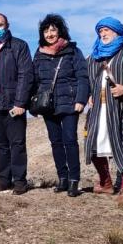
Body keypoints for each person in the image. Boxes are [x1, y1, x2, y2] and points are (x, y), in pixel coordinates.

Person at [31, 14, 89, 196]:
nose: (50, 33)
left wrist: (81, 100)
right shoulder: (39, 54)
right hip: (48, 105)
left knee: (70, 141)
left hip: (70, 104)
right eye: (46, 30)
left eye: (53, 30)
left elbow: (82, 77)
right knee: (55, 142)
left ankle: (74, 180)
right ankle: (62, 178)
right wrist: (32, 104)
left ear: (60, 31)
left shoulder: (72, 51)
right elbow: (34, 80)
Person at [84, 18, 123, 196]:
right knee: (93, 145)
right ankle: (106, 182)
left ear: (116, 31)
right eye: (100, 31)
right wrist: (87, 95)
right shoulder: (94, 55)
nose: (103, 34)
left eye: (107, 30)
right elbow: (86, 79)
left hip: (119, 108)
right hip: (97, 109)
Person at [0, 13, 33, 194]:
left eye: (0, 25)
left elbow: (25, 75)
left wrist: (20, 102)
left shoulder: (19, 46)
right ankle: (4, 180)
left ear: (7, 25)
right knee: (0, 144)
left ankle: (19, 182)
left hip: (12, 103)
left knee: (16, 143)